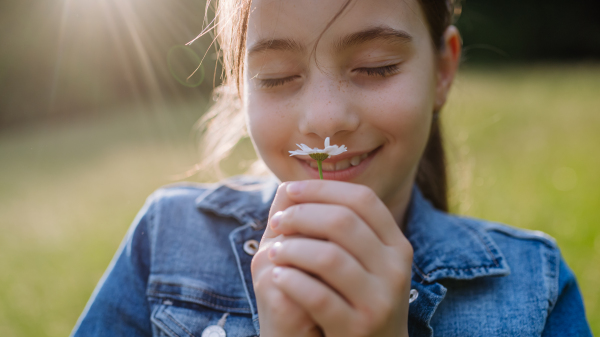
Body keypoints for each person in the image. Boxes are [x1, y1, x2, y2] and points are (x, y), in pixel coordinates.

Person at [70, 0, 592, 336]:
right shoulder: (164, 243)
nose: (324, 120)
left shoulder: (532, 290)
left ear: (443, 70)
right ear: (238, 86)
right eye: (275, 77)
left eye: (376, 67)